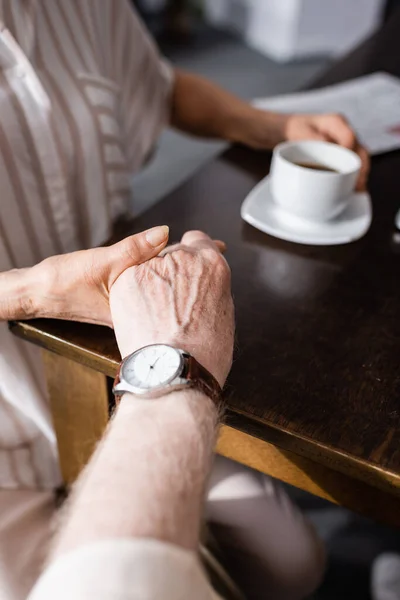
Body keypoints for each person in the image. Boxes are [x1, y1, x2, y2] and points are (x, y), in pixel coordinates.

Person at [0, 1, 366, 597]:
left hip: (110, 376)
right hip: (11, 433)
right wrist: (32, 291)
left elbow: (160, 88)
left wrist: (271, 126)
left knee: (292, 559)